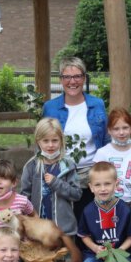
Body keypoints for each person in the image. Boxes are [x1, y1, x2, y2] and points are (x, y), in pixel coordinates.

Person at [42, 57, 109, 219]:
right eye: (67, 77)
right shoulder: (50, 107)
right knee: (63, 221)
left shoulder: (97, 104)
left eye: (77, 76)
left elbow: (106, 139)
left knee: (89, 221)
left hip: (91, 174)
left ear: (84, 78)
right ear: (61, 80)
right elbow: (43, 139)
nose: (72, 81)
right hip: (62, 174)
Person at [20, 118, 81, 236]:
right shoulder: (31, 166)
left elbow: (76, 194)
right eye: (45, 141)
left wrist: (56, 183)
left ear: (61, 141)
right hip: (38, 230)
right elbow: (24, 198)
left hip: (64, 231)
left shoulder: (68, 165)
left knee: (65, 255)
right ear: (38, 141)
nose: (50, 145)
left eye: (55, 140)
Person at [94, 108, 131, 204]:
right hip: (110, 203)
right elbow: (97, 181)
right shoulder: (102, 153)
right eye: (116, 129)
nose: (121, 132)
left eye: (125, 127)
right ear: (109, 130)